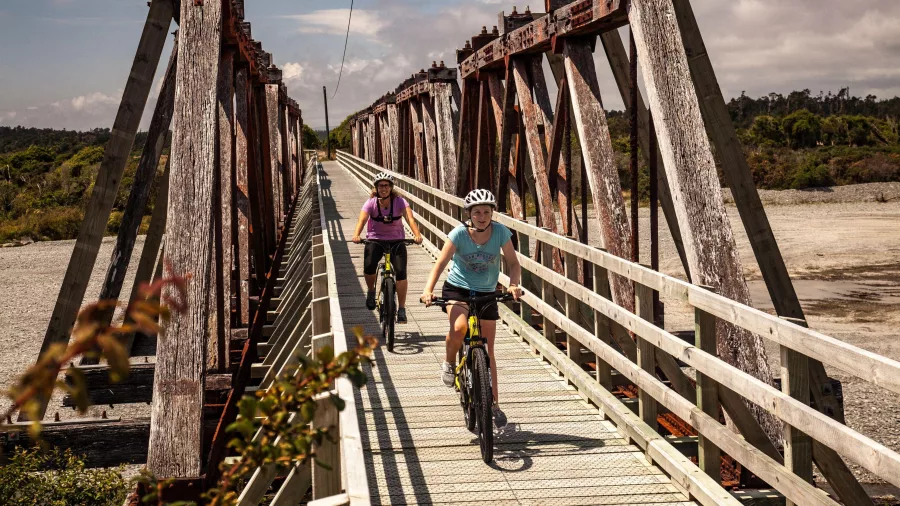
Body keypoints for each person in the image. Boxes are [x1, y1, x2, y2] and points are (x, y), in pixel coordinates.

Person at [420, 188, 522, 429]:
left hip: (486, 292)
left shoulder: (500, 232)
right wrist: (427, 290)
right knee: (459, 327)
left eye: (487, 211)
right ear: (469, 214)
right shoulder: (458, 234)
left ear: (492, 213)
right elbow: (441, 263)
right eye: (477, 212)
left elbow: (514, 263)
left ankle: (494, 405)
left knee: (489, 350)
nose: (482, 216)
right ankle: (448, 363)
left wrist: (514, 285)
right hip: (458, 289)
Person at [352, 172, 422, 323]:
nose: (383, 188)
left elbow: (410, 219)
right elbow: (362, 220)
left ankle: (401, 308)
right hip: (375, 239)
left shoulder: (400, 202)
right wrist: (356, 234)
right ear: (376, 188)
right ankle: (371, 291)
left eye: (386, 185)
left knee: (401, 273)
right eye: (380, 186)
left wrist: (417, 235)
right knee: (369, 266)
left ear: (391, 187)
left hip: (396, 240)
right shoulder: (370, 203)